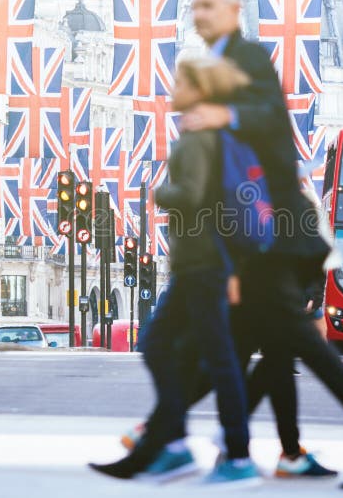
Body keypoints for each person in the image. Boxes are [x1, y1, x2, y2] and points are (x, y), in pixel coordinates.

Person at [176, 0, 343, 490]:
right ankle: (286, 449)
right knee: (275, 346)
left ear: (235, 11)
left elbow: (272, 127)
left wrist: (223, 114)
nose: (200, 15)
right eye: (195, 7)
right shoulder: (220, 61)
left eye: (209, 6)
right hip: (257, 232)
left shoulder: (247, 57)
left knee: (278, 342)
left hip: (270, 232)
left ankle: (181, 434)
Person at [90, 57, 259, 487]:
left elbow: (195, 193)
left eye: (181, 81)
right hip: (198, 262)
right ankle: (173, 445)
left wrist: (161, 192)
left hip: (201, 262)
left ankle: (226, 453)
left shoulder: (197, 137)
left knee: (187, 351)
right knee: (185, 351)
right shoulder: (203, 133)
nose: (173, 87)